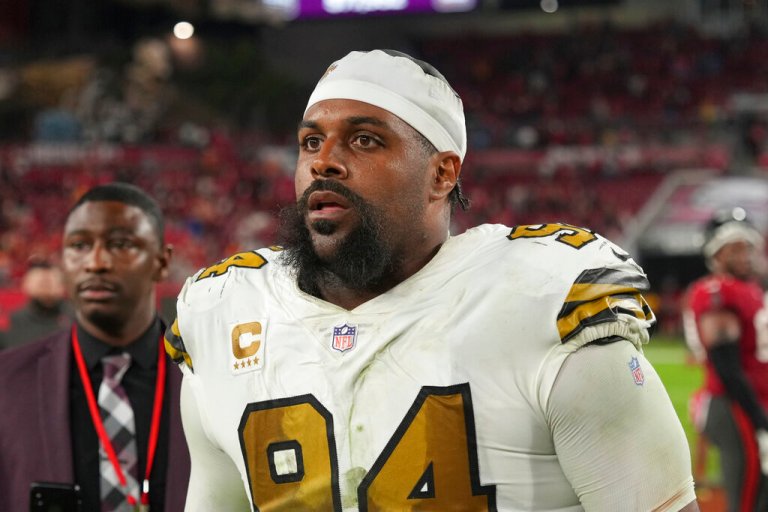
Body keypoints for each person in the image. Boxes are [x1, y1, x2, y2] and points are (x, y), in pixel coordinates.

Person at [166, 49, 698, 511]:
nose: (324, 162)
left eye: (365, 141)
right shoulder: (225, 313)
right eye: (310, 142)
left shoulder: (540, 304)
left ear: (442, 173)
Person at [0, 182, 190, 511]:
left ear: (162, 260)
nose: (95, 262)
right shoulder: (7, 382)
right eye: (79, 245)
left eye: (119, 244)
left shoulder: (209, 379)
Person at [683, 207, 768, 512]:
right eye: (735, 248)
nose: (745, 254)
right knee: (747, 499)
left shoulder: (752, 289)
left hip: (754, 402)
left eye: (748, 246)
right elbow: (727, 367)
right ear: (715, 253)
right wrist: (762, 422)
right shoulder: (718, 291)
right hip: (736, 405)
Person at [0, 259, 72, 350]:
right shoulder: (12, 321)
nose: (46, 283)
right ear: (25, 284)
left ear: (63, 285)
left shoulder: (77, 317)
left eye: (49, 281)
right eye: (41, 282)